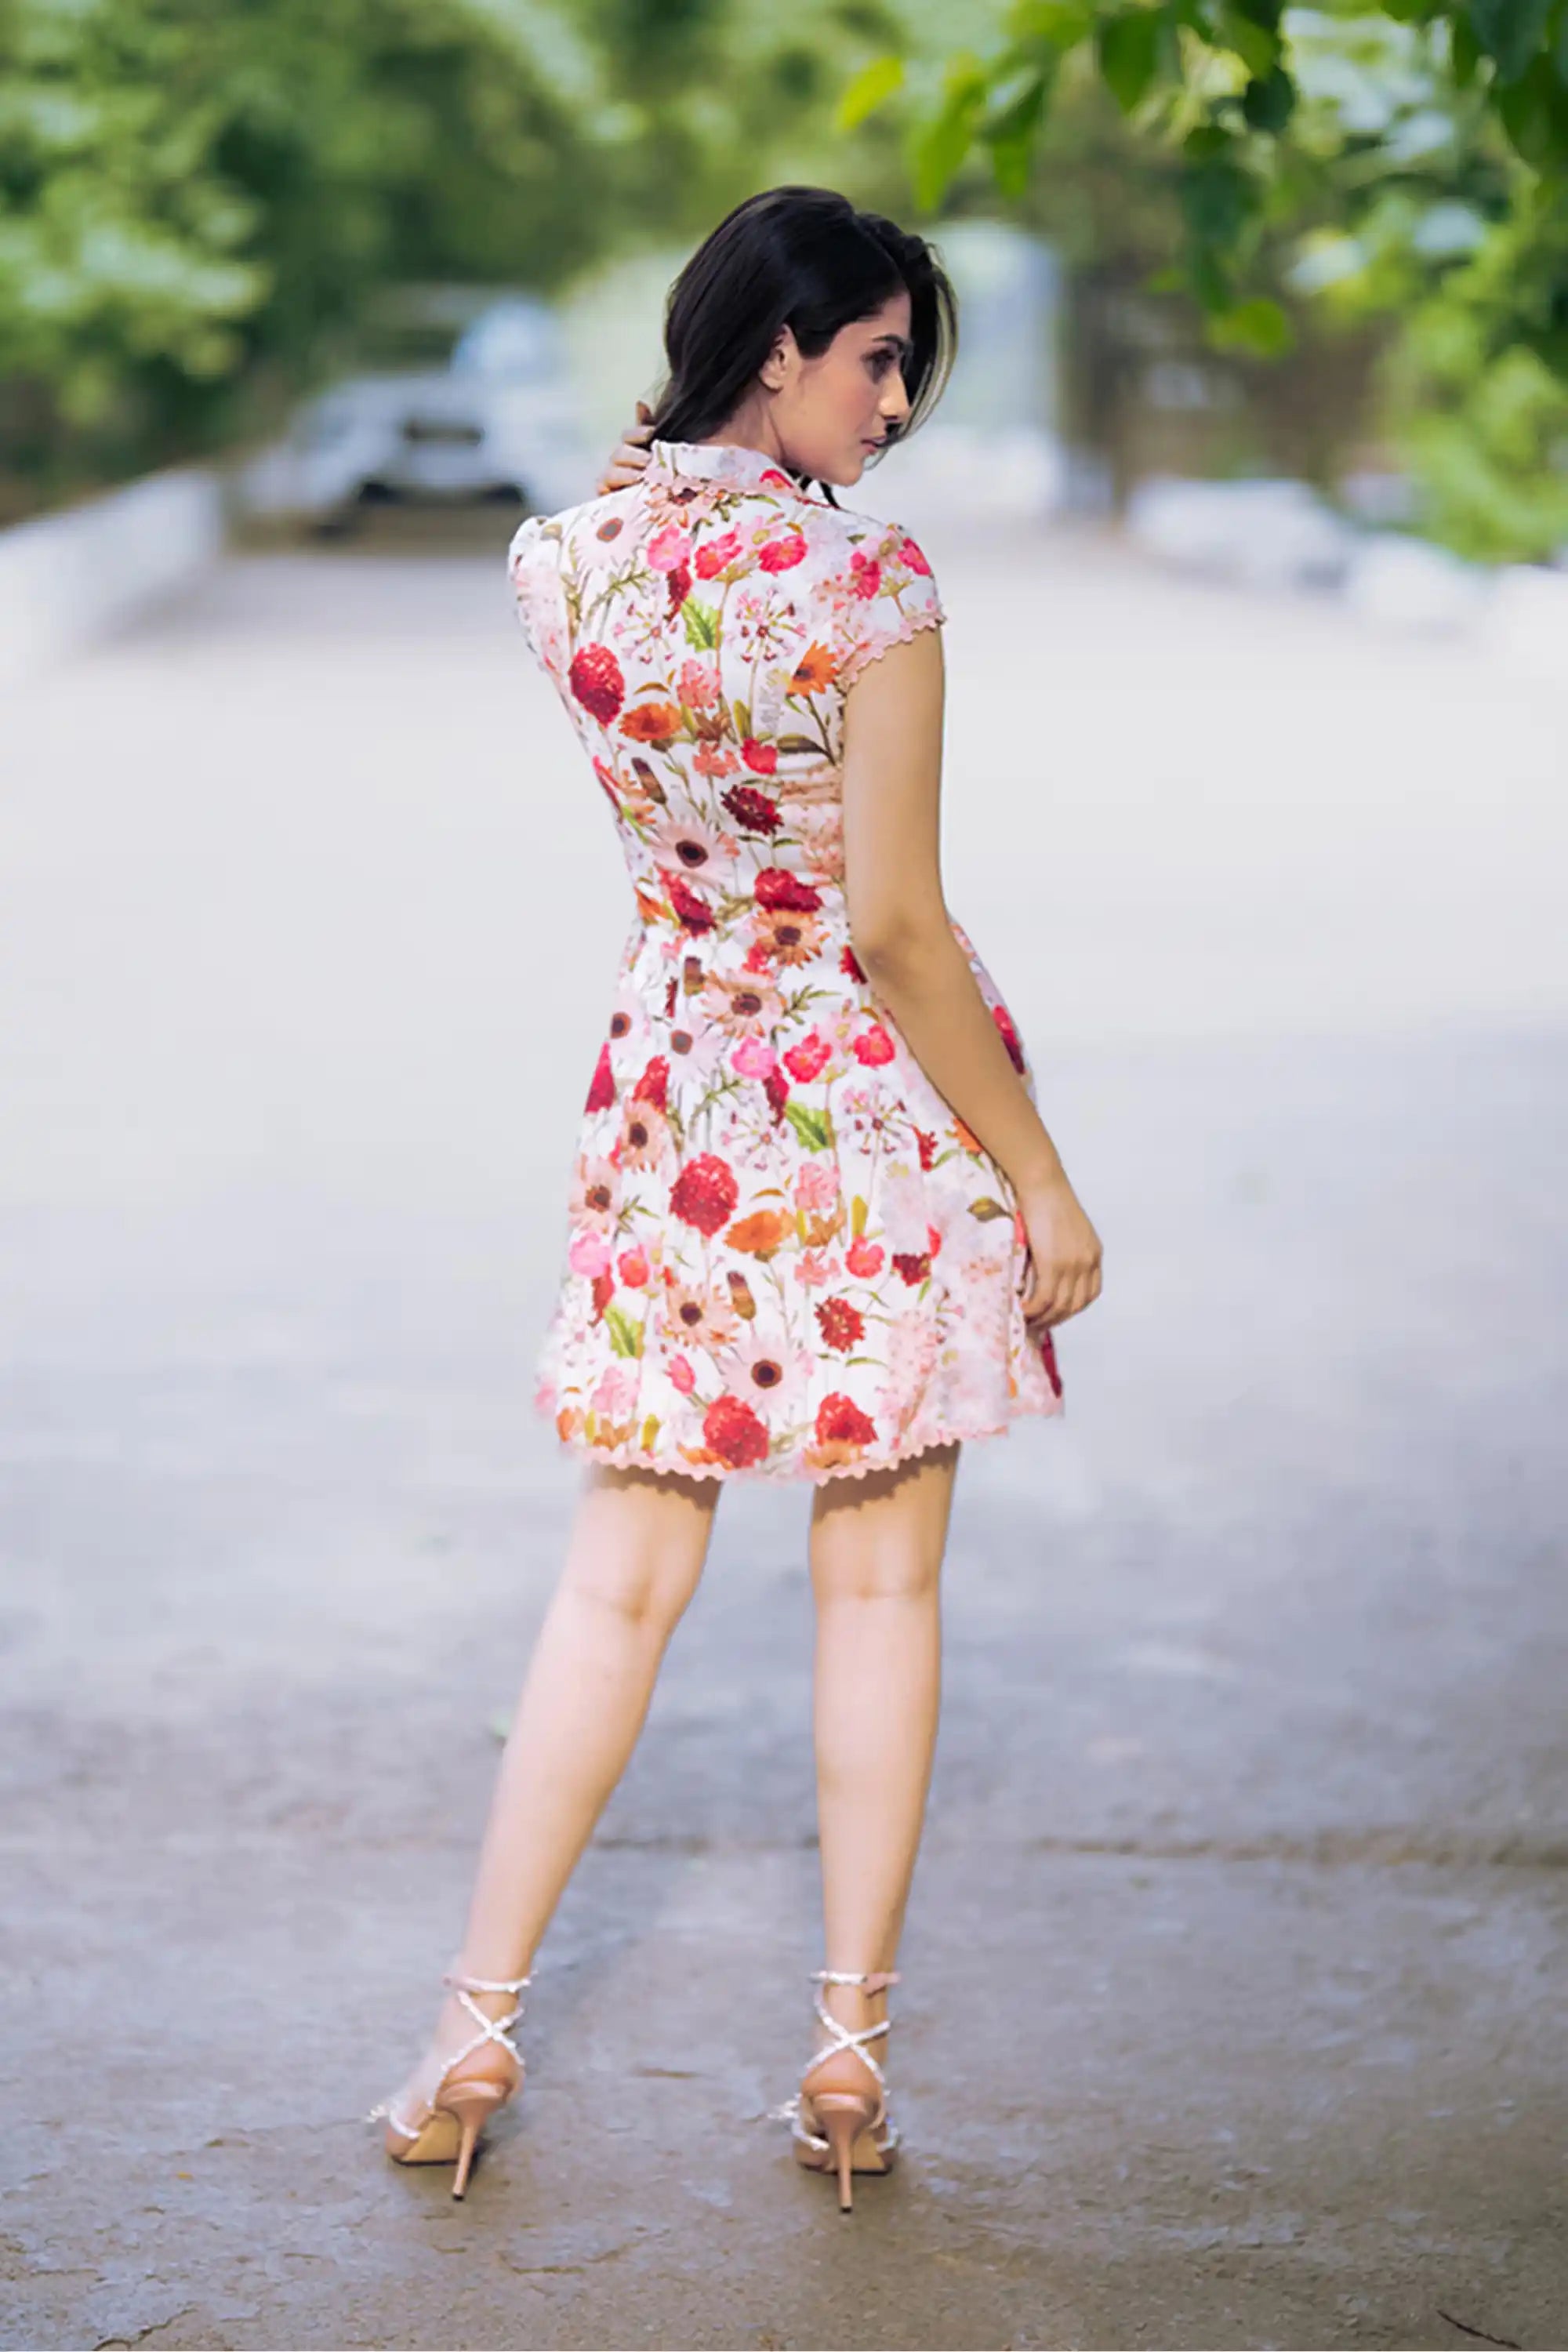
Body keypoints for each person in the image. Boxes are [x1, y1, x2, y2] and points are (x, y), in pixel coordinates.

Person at [369, 184, 1102, 2212]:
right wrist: (1042, 1176)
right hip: (868, 1116)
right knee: (880, 1589)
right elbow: (896, 928)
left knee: (615, 1580)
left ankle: (473, 2025)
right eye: (878, 358)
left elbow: (655, 561)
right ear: (780, 347)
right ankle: (848, 2058)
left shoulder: (558, 562)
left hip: (680, 1096)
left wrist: (664, 479)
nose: (898, 405)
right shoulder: (871, 584)